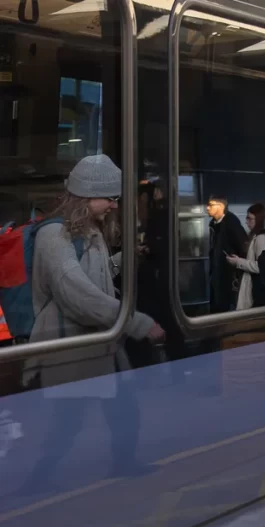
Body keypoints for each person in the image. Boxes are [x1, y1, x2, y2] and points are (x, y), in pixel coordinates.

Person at [21, 155, 166, 488]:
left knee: (122, 406)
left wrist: (124, 258)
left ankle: (122, 462)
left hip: (97, 343)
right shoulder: (54, 237)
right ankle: (36, 480)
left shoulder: (88, 232)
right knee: (67, 420)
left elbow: (97, 279)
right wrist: (140, 324)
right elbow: (79, 296)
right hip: (71, 344)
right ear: (85, 196)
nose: (114, 205)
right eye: (109, 198)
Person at [205, 196, 247, 313]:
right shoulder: (213, 223)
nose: (207, 208)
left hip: (228, 274)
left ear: (221, 207)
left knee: (224, 305)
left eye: (211, 205)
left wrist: (236, 262)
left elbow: (242, 244)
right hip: (217, 272)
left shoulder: (231, 222)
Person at [226, 203, 265, 310]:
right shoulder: (254, 236)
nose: (247, 222)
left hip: (255, 290)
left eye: (250, 219)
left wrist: (238, 262)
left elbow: (261, 266)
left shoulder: (260, 239)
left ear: (259, 220)